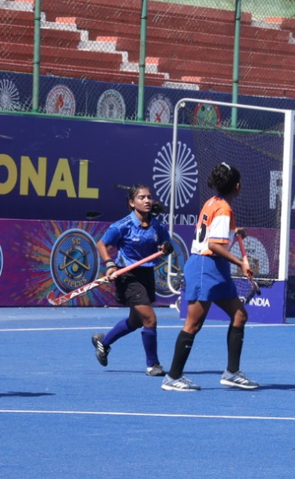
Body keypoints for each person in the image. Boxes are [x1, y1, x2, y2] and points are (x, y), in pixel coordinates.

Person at [161, 163, 258, 392]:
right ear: (238, 186)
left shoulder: (213, 202)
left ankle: (232, 373)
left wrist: (237, 232)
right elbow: (214, 244)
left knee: (239, 315)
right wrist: (240, 263)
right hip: (206, 266)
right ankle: (172, 377)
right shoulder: (223, 208)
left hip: (215, 268)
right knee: (193, 324)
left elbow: (216, 232)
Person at [92, 184, 171, 376]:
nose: (147, 201)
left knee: (136, 321)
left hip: (146, 275)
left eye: (149, 197)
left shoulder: (157, 225)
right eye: (142, 198)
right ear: (131, 202)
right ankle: (153, 365)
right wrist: (110, 264)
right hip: (127, 276)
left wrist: (166, 248)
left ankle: (104, 342)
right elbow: (101, 244)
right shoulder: (122, 226)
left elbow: (167, 246)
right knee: (150, 319)